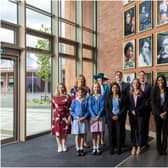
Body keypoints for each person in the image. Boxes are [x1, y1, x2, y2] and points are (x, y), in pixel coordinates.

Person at [106, 83, 127, 155]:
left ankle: (119, 148)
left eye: (116, 87)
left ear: (118, 88)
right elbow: (106, 108)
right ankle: (112, 148)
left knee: (119, 133)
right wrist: (112, 116)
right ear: (111, 89)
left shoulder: (122, 96)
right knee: (111, 133)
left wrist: (118, 115)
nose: (115, 89)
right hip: (110, 118)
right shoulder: (108, 97)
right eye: (113, 88)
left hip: (119, 117)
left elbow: (124, 107)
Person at [70, 74, 90, 148]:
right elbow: (72, 99)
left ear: (84, 80)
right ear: (77, 80)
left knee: (84, 128)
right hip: (76, 111)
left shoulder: (87, 88)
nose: (81, 80)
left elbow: (88, 98)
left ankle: (84, 142)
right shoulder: (73, 88)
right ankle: (78, 144)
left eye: (82, 79)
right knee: (77, 129)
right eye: (79, 79)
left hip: (84, 109)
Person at [51, 83, 71, 152]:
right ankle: (59, 145)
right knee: (58, 132)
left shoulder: (67, 97)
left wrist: (69, 117)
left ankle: (64, 145)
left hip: (65, 117)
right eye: (59, 87)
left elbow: (70, 108)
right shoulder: (54, 97)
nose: (60, 88)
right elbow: (53, 108)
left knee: (64, 132)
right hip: (57, 117)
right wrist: (54, 117)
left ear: (64, 88)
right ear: (57, 88)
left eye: (62, 87)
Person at [151, 75, 168, 155]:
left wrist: (165, 112)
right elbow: (153, 104)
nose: (160, 81)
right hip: (157, 114)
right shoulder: (154, 90)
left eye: (162, 80)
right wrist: (159, 113)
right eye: (159, 80)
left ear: (164, 81)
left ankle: (164, 148)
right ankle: (159, 149)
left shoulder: (167, 90)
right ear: (157, 81)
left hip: (166, 114)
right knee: (158, 132)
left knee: (165, 132)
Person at [70, 87, 89, 156]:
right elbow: (71, 111)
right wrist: (76, 117)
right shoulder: (74, 101)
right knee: (77, 134)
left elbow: (87, 111)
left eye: (81, 92)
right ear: (76, 93)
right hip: (76, 120)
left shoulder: (85, 101)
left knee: (82, 134)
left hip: (83, 120)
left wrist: (84, 117)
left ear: (84, 93)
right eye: (79, 92)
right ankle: (77, 148)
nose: (80, 93)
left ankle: (81, 148)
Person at [128, 78, 145, 155]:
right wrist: (132, 110)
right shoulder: (130, 93)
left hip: (140, 115)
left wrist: (136, 111)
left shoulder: (142, 93)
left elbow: (143, 104)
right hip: (132, 115)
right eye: (134, 83)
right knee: (133, 131)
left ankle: (139, 146)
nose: (135, 84)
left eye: (137, 83)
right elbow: (128, 104)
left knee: (140, 130)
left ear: (139, 84)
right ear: (132, 84)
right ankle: (133, 146)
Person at [88, 82, 105, 155]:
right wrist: (94, 116)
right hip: (93, 118)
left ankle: (98, 147)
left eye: (97, 87)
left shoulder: (102, 97)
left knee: (98, 133)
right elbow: (90, 107)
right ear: (92, 88)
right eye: (95, 87)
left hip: (100, 117)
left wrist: (98, 115)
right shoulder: (90, 97)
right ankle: (94, 147)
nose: (96, 88)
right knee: (94, 133)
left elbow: (103, 107)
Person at [93, 72, 109, 147]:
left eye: (102, 79)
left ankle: (102, 138)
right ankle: (96, 140)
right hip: (97, 108)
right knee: (96, 125)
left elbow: (108, 96)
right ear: (97, 80)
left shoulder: (106, 87)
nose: (100, 80)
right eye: (99, 79)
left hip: (104, 107)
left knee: (103, 124)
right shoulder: (94, 87)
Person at [114, 71, 130, 147]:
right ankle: (115, 142)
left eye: (120, 75)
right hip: (114, 110)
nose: (118, 76)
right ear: (115, 76)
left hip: (123, 109)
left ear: (122, 76)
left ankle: (122, 143)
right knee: (115, 127)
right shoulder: (112, 85)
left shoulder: (126, 85)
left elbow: (128, 97)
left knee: (122, 127)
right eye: (117, 75)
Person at [138, 71, 152, 148]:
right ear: (139, 76)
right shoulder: (136, 85)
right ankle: (139, 142)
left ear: (145, 76)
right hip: (139, 110)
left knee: (146, 126)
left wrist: (146, 102)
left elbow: (151, 96)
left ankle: (145, 141)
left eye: (143, 75)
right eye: (141, 75)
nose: (142, 77)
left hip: (146, 109)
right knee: (139, 127)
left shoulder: (149, 86)